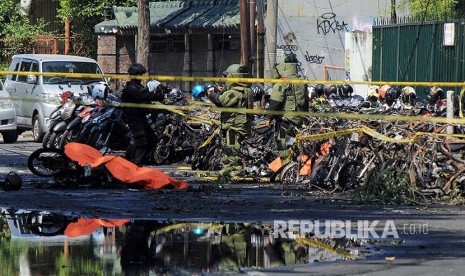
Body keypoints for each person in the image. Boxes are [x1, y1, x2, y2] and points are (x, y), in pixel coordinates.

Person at [207, 64, 253, 177]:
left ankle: (236, 171)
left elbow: (220, 101)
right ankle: (227, 168)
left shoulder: (236, 92)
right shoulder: (246, 90)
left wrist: (211, 93)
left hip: (234, 125)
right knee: (228, 147)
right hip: (237, 124)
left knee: (232, 148)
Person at [121, 63, 166, 165]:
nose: (141, 77)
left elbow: (147, 94)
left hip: (141, 117)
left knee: (152, 139)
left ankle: (143, 160)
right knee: (141, 141)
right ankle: (134, 163)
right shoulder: (131, 88)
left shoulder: (138, 86)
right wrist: (157, 95)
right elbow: (142, 96)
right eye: (140, 74)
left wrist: (161, 91)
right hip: (134, 119)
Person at [267, 53, 309, 159]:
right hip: (298, 121)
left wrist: (268, 118)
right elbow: (305, 102)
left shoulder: (282, 84)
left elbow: (275, 103)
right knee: (294, 145)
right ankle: (294, 167)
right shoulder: (301, 82)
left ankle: (284, 169)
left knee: (283, 145)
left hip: (284, 121)